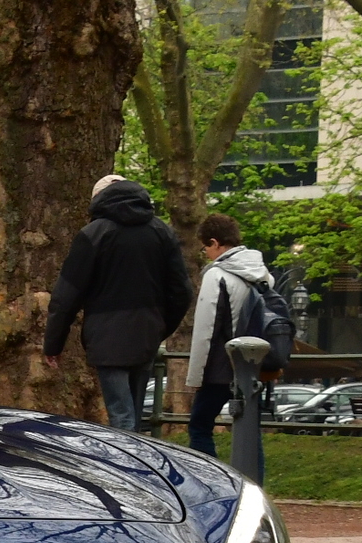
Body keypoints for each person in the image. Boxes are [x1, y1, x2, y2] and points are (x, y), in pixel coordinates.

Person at [41, 174, 191, 433]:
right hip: (146, 333)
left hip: (106, 335)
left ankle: (127, 469)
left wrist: (53, 343)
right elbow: (182, 291)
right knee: (133, 409)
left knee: (121, 415)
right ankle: (140, 464)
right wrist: (160, 326)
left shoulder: (93, 234)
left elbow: (67, 295)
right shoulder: (161, 231)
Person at [184, 212, 278, 459]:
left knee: (199, 426)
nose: (205, 253)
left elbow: (206, 331)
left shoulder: (216, 275)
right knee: (250, 429)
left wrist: (195, 377)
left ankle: (209, 483)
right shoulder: (261, 273)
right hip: (253, 365)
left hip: (220, 367)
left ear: (215, 243)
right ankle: (254, 483)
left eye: (206, 247)